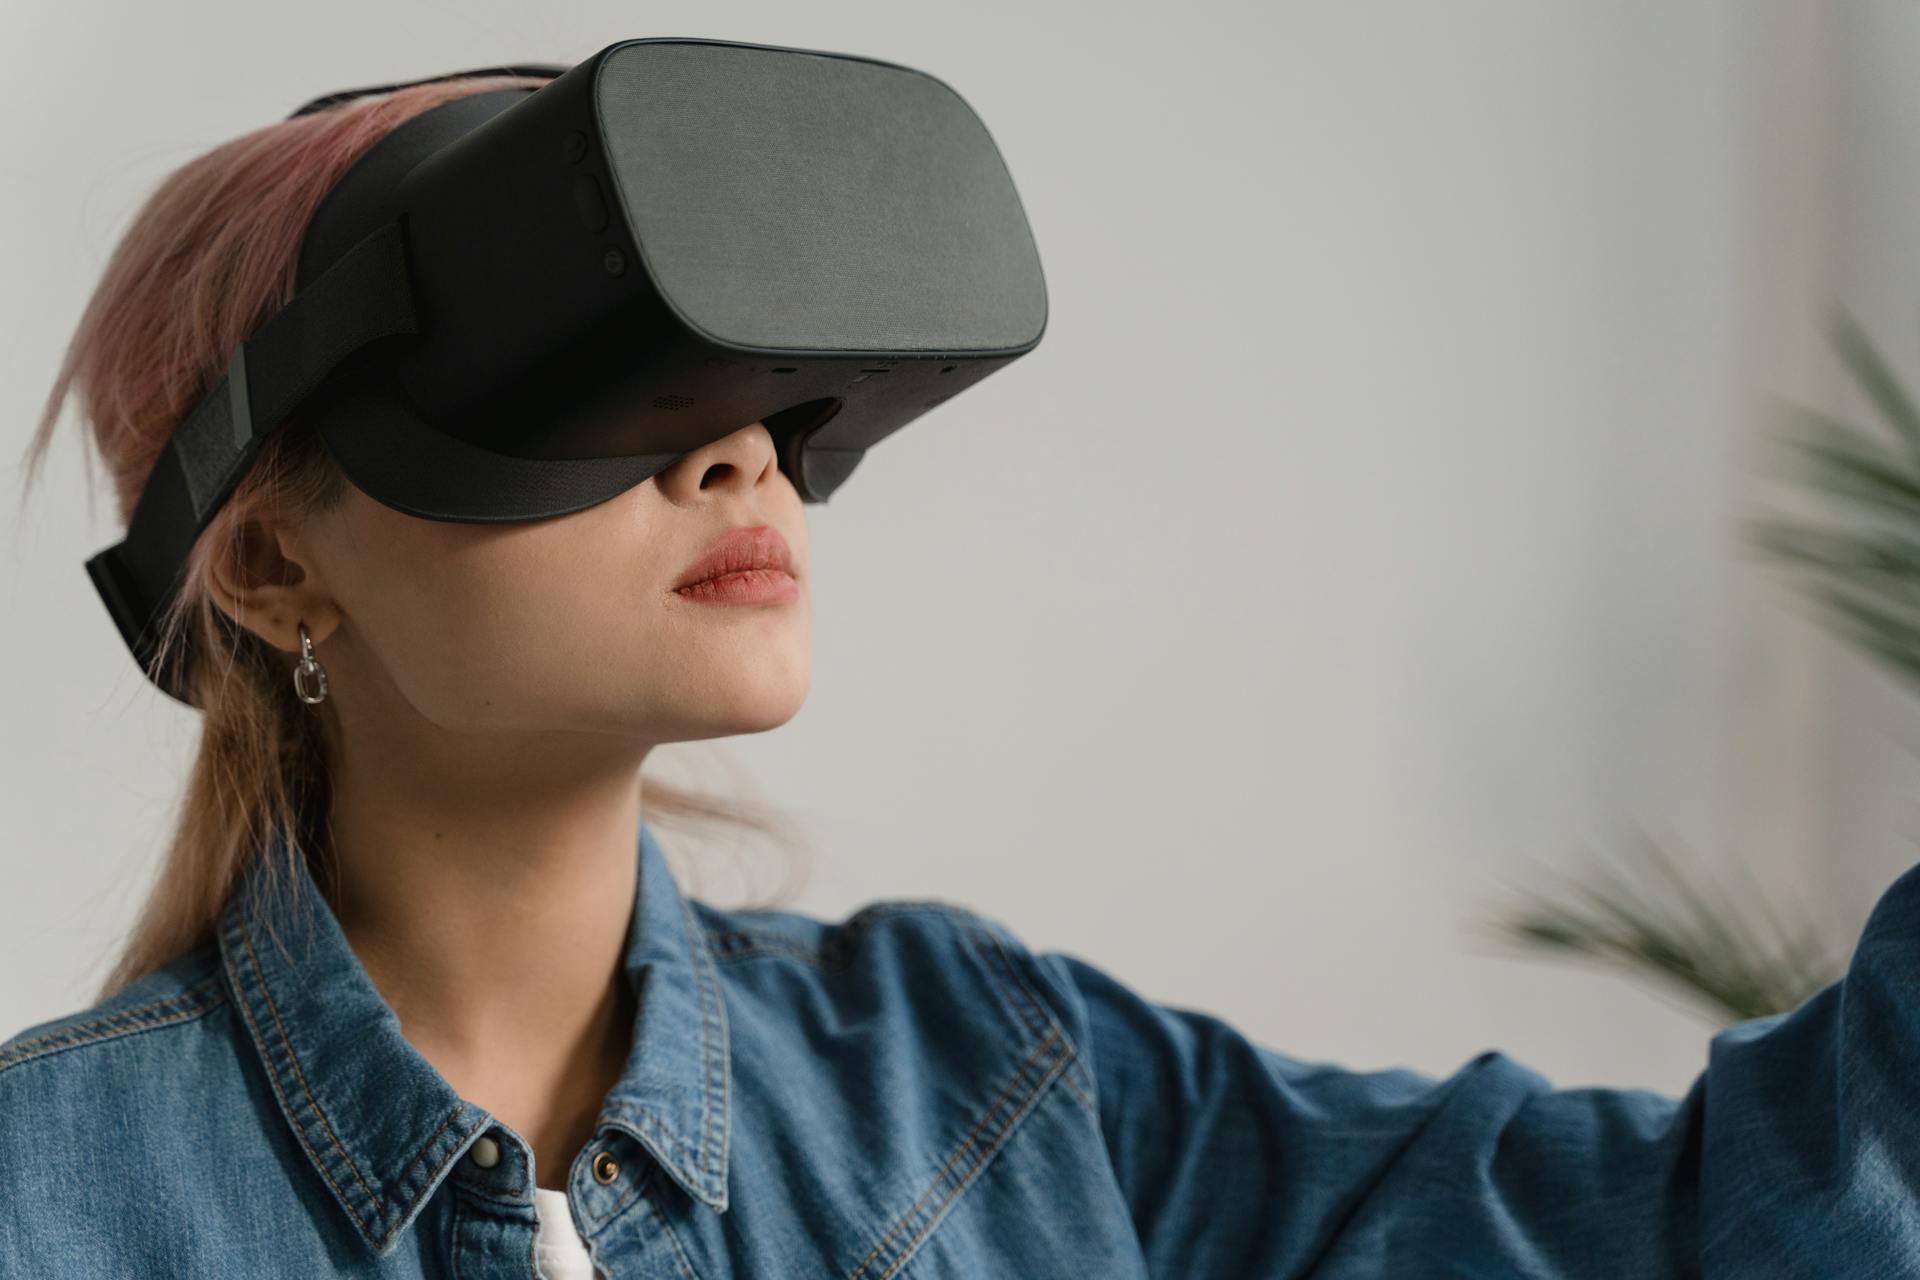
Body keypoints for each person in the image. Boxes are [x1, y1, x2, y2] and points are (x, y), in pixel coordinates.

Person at [5, 70, 1918, 1280]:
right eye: (576, 369)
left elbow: (1714, 1222)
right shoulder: (53, 1199)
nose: (737, 451)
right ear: (265, 562)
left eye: (758, 383)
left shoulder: (990, 1082)